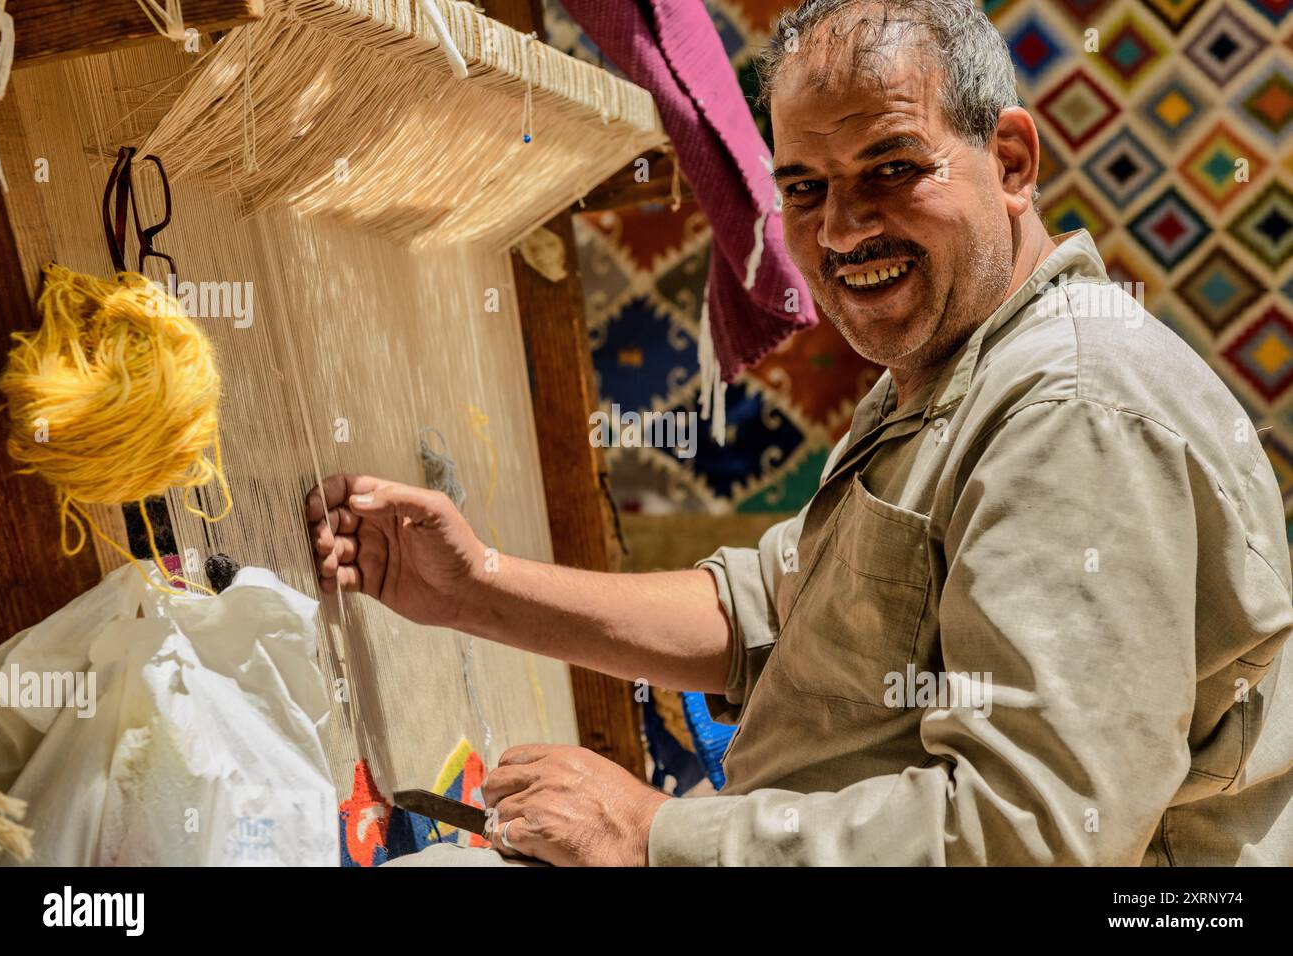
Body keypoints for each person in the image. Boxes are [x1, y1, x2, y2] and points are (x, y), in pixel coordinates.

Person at [308, 0, 1293, 866]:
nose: (841, 230)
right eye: (806, 188)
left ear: (1010, 161)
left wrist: (652, 834)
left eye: (890, 169)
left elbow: (1034, 836)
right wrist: (478, 586)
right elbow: (782, 606)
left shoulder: (1069, 416)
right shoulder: (950, 370)